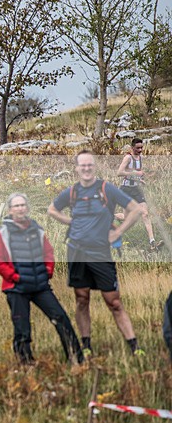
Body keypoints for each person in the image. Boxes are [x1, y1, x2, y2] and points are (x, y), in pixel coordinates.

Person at [47, 150, 144, 357]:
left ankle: (135, 347)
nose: (86, 168)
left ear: (94, 166)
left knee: (114, 302)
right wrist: (70, 222)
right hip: (77, 252)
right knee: (82, 299)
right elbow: (52, 210)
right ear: (77, 168)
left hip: (100, 253)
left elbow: (135, 209)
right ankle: (87, 346)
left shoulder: (106, 189)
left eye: (89, 164)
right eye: (82, 165)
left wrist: (118, 231)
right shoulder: (72, 191)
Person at [0, 193, 84, 365]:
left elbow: (48, 253)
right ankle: (26, 366)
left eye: (22, 205)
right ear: (10, 210)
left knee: (61, 319)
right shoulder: (3, 233)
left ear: (27, 208)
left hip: (40, 285)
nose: (20, 208)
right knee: (22, 329)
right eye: (16, 206)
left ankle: (77, 360)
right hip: (16, 288)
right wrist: (15, 277)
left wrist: (47, 271)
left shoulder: (37, 229)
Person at [116, 137, 163, 249]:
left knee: (145, 214)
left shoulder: (140, 157)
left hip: (136, 189)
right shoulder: (128, 158)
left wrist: (140, 180)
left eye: (142, 147)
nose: (141, 150)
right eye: (138, 148)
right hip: (126, 190)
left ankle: (152, 243)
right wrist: (136, 173)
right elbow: (119, 173)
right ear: (132, 147)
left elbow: (134, 175)